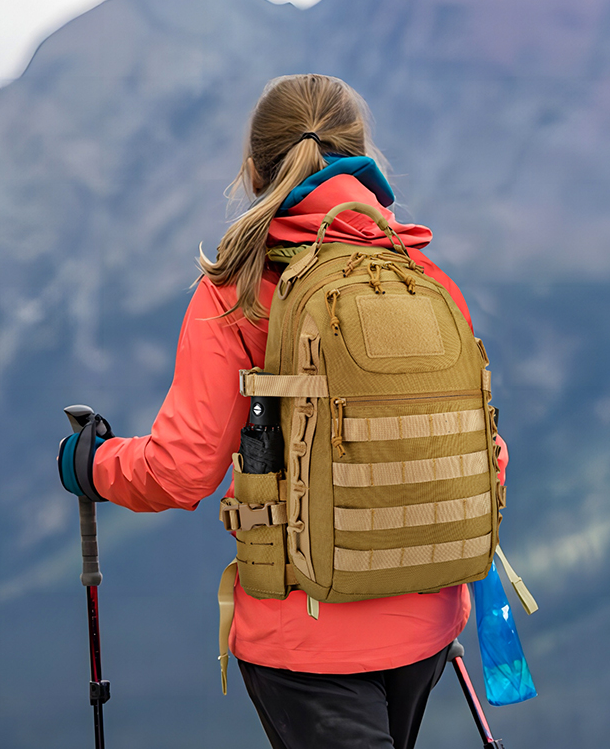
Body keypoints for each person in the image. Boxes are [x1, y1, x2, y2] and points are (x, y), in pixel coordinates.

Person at [58, 74, 509, 749]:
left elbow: (182, 471)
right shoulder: (422, 275)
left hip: (305, 639)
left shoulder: (239, 288)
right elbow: (485, 452)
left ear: (252, 168)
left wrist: (93, 465)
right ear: (363, 152)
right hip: (428, 618)